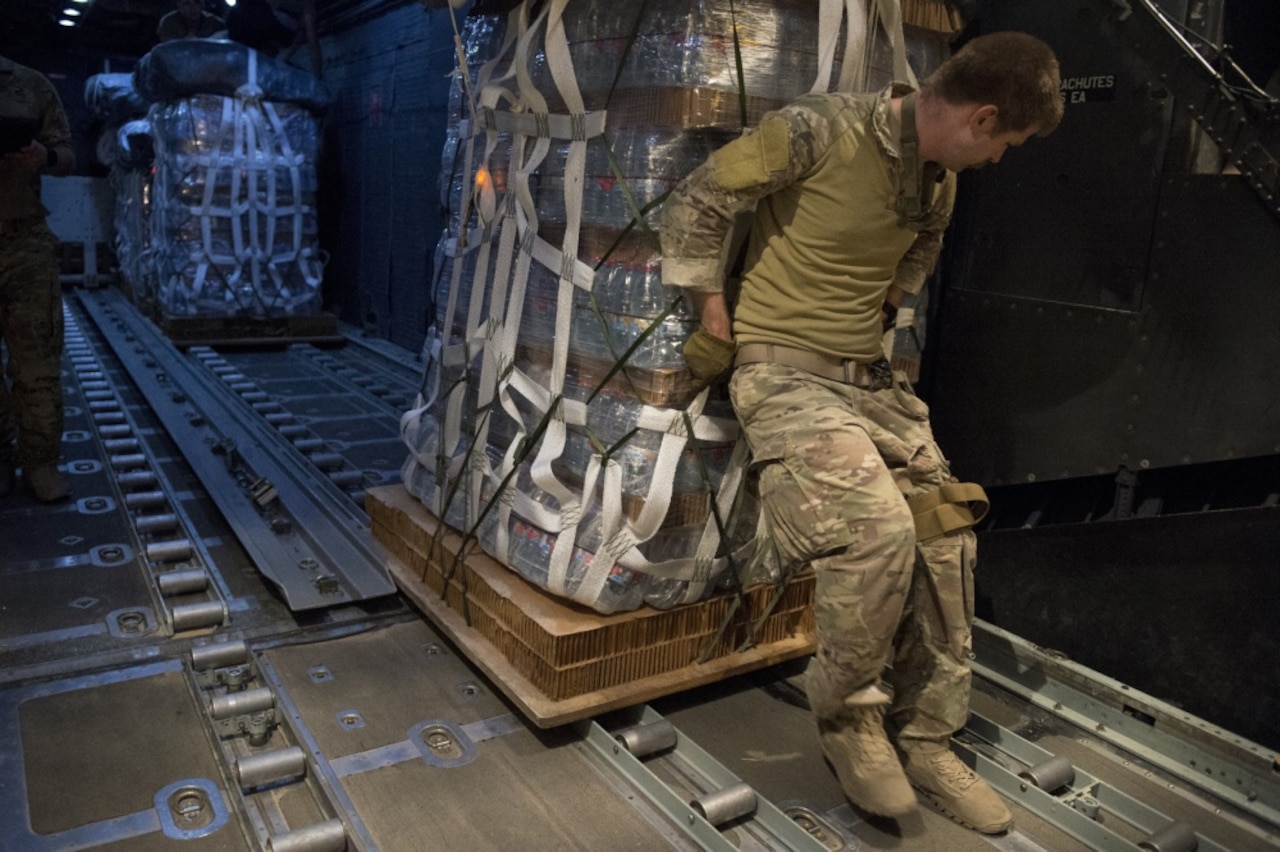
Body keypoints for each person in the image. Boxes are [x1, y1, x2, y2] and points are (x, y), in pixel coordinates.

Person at [659, 32, 1062, 834]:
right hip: (781, 373)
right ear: (981, 118)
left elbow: (921, 247)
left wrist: (884, 307)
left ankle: (927, 737)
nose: (998, 161)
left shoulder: (938, 181)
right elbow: (698, 198)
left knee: (948, 536)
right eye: (1006, 144)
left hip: (864, 383)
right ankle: (851, 723)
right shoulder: (819, 131)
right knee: (874, 532)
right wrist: (713, 312)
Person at [0, 56, 76, 502]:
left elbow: (66, 154)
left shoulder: (30, 84)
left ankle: (40, 462)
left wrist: (42, 156)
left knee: (38, 362)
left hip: (23, 241)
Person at [156, 0, 225, 42]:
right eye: (187, 3)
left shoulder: (215, 24)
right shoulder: (169, 22)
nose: (193, 8)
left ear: (203, 4)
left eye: (197, 2)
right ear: (179, 5)